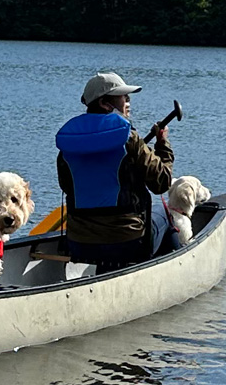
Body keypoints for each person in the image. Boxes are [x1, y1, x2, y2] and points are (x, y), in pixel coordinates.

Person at [54, 71, 173, 274]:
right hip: (127, 243)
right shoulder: (130, 138)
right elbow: (161, 182)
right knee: (167, 215)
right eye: (123, 96)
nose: (128, 100)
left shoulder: (69, 141)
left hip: (79, 243)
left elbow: (67, 186)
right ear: (104, 104)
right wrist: (163, 145)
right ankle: (171, 274)